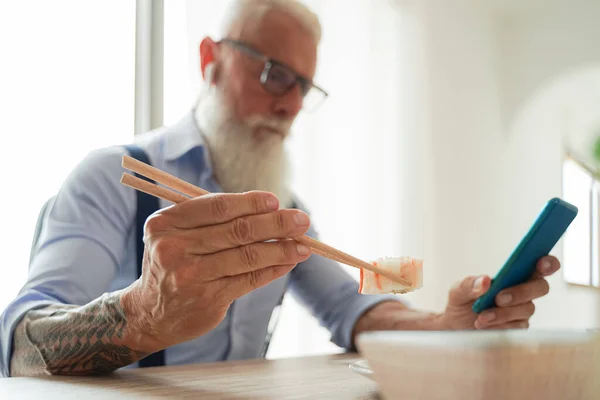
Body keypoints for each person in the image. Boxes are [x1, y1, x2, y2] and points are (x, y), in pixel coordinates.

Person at [0, 0, 558, 378]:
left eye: (304, 85)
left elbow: (348, 309)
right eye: (273, 73)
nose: (290, 103)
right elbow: (20, 346)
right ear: (209, 61)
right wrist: (144, 315)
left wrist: (446, 324)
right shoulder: (113, 175)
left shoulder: (284, 208)